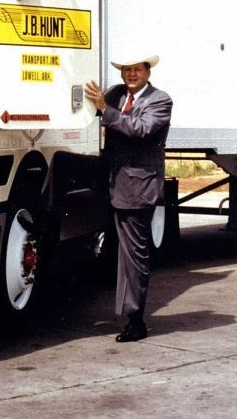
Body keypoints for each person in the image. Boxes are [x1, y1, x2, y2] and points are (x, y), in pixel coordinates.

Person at [84, 53, 173, 343]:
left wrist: (105, 110)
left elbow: (140, 129)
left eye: (137, 69)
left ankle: (136, 321)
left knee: (134, 255)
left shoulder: (160, 100)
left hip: (137, 188)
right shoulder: (116, 94)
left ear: (148, 72)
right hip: (111, 183)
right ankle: (129, 314)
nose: (131, 74)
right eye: (127, 70)